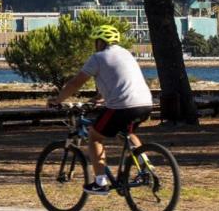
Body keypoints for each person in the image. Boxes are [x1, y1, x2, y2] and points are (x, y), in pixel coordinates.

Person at [48, 24, 154, 196]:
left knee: (95, 136)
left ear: (100, 41)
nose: (95, 45)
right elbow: (120, 84)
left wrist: (57, 100)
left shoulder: (98, 57)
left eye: (95, 41)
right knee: (125, 133)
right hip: (145, 103)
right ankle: (146, 167)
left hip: (123, 106)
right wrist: (97, 99)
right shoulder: (126, 54)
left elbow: (76, 83)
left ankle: (100, 182)